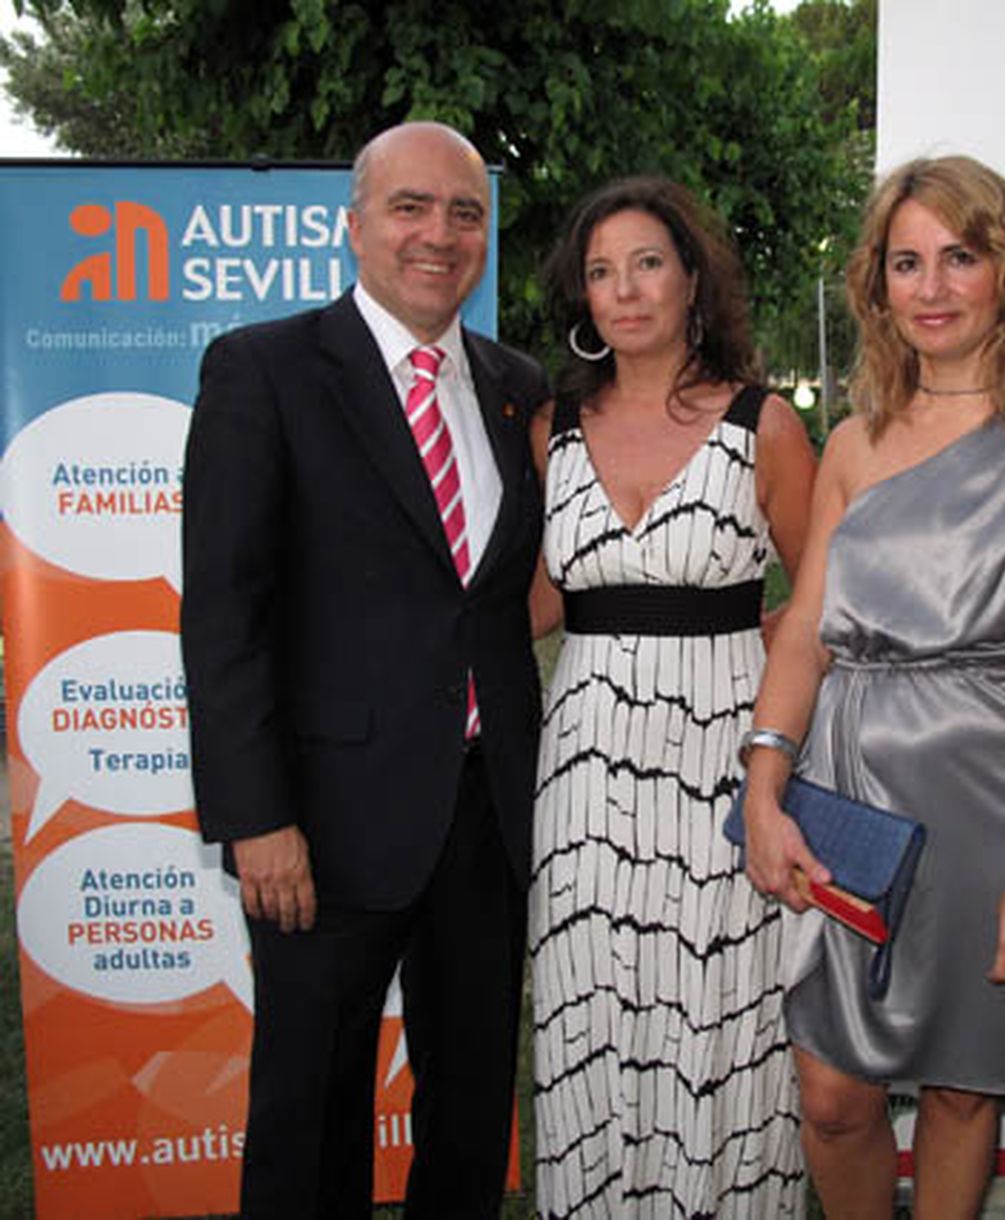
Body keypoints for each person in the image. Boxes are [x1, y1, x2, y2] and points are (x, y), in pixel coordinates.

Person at [741, 155, 1005, 1218]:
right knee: (830, 1092)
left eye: (960, 256)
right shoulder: (856, 441)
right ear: (878, 286)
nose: (934, 286)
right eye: (906, 262)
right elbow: (806, 626)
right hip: (850, 796)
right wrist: (763, 785)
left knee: (962, 1087)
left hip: (993, 804)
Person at [180, 121, 547, 1218]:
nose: (439, 233)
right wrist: (256, 817)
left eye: (465, 211)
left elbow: (496, 592)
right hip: (321, 824)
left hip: (487, 814)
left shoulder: (515, 386)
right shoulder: (265, 369)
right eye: (410, 207)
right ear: (354, 225)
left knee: (473, 1102)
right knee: (311, 1111)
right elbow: (225, 614)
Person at [527, 176, 817, 1217]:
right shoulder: (552, 428)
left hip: (723, 762)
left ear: (693, 277)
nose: (625, 290)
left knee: (718, 1011)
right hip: (586, 764)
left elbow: (826, 587)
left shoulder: (763, 424)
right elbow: (543, 599)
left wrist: (757, 643)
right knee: (593, 1004)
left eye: (646, 263)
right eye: (601, 272)